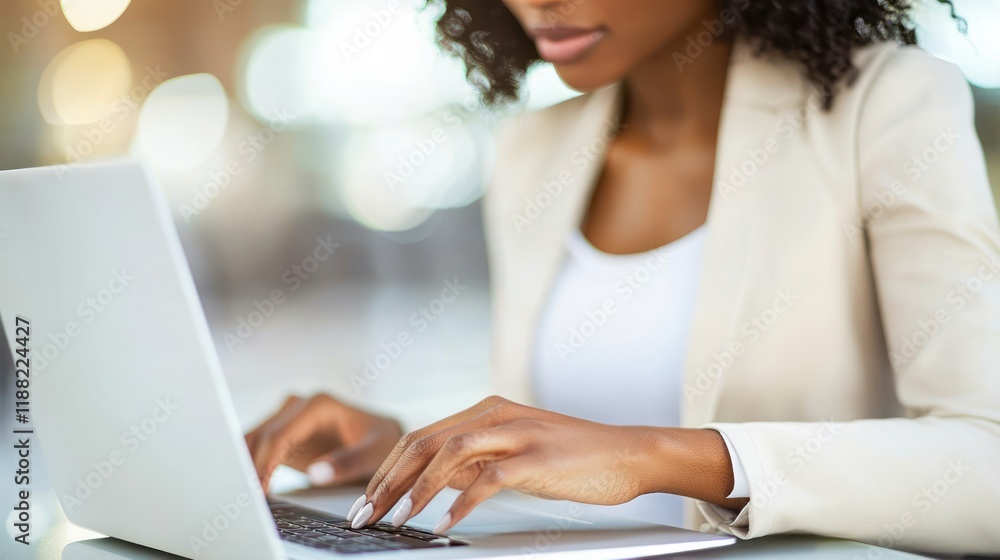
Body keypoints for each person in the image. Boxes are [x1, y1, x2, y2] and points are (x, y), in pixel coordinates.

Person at [245, 0, 1000, 555]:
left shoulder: (884, 105)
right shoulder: (537, 148)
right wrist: (414, 457)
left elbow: (985, 461)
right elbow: (564, 439)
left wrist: (654, 457)